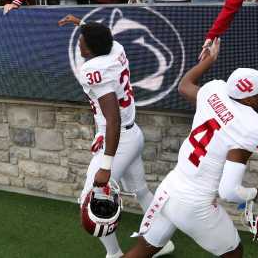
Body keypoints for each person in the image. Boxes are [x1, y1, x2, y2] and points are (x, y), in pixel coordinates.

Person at [122, 39, 258, 258]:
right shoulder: (252, 129)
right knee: (233, 253)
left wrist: (208, 61)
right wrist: (256, 193)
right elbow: (228, 191)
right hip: (195, 204)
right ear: (248, 97)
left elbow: (184, 86)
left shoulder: (214, 93)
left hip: (169, 189)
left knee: (142, 251)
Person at [56, 14, 175, 258]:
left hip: (118, 139)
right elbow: (104, 36)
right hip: (133, 134)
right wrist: (81, 23)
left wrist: (106, 165)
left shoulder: (94, 69)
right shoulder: (115, 49)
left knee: (90, 199)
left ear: (92, 49)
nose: (79, 43)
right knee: (140, 190)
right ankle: (162, 240)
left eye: (83, 41)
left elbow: (113, 119)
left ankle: (114, 254)